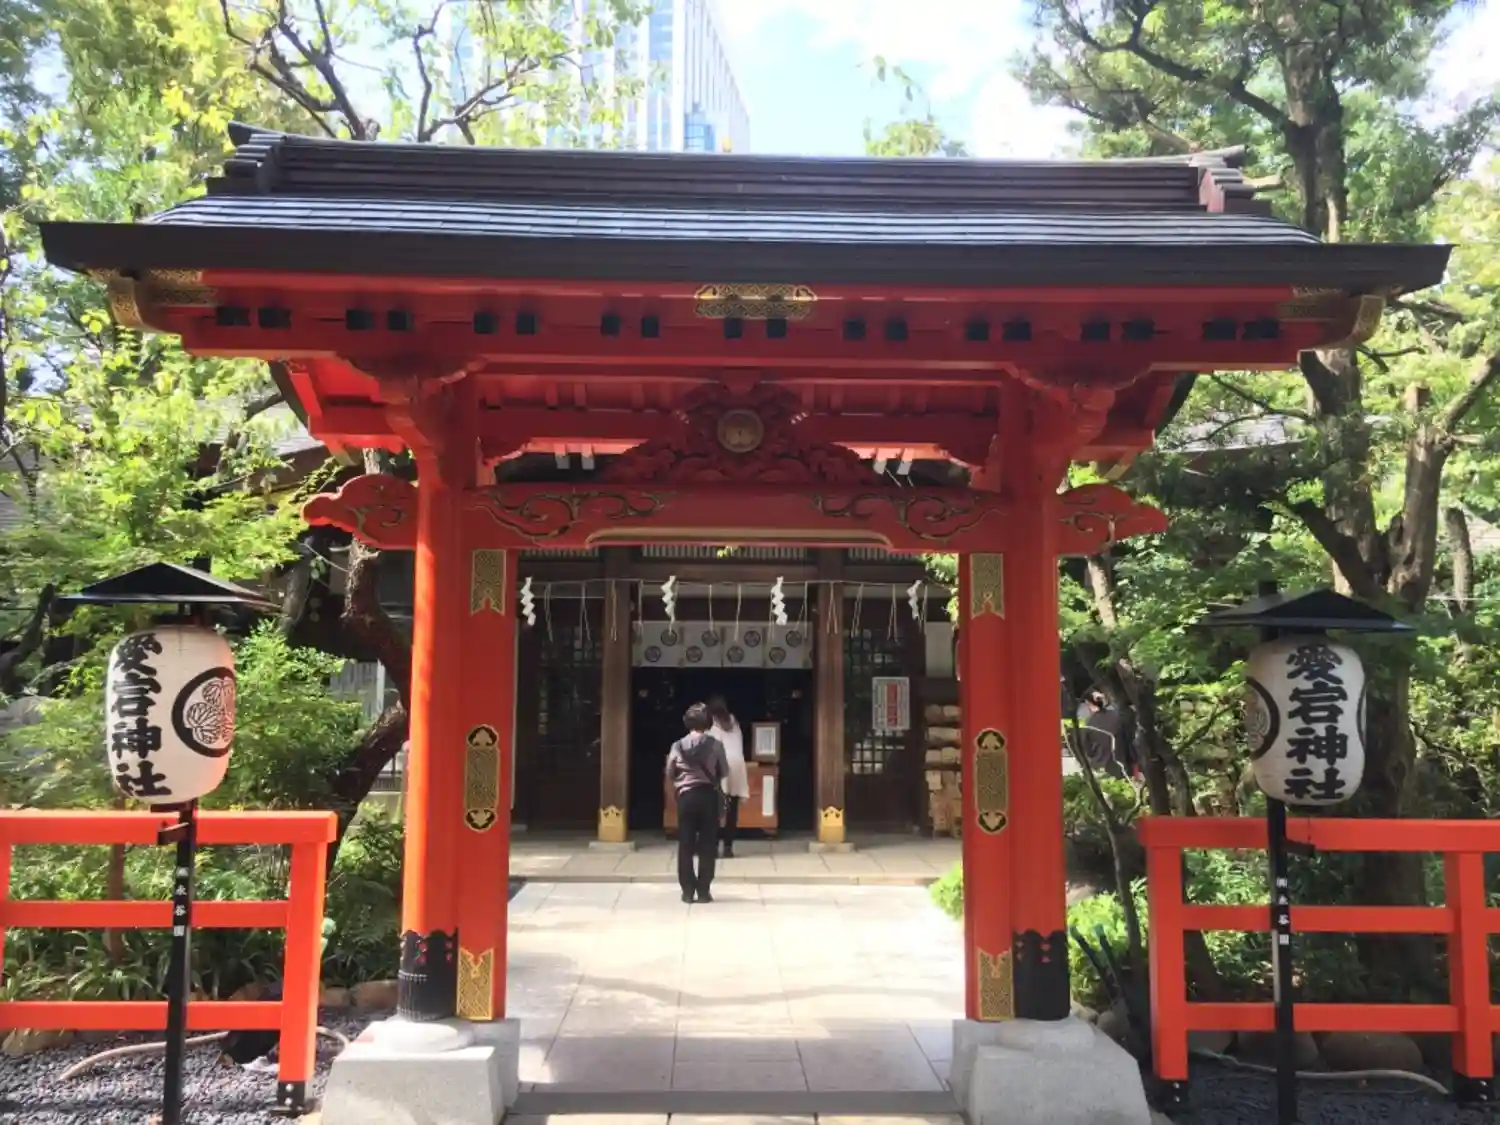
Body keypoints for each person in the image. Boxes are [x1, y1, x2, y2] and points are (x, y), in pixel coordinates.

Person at [665, 702, 729, 903]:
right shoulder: (716, 745)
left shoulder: (677, 746)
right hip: (708, 796)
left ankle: (687, 891)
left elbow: (670, 772)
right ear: (708, 723)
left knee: (685, 843)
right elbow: (724, 771)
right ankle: (703, 891)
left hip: (686, 797)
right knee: (707, 844)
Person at [707, 695, 750, 858]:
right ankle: (728, 848)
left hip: (723, 764)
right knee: (732, 808)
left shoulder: (712, 725)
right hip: (738, 764)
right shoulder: (734, 721)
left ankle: (713, 847)